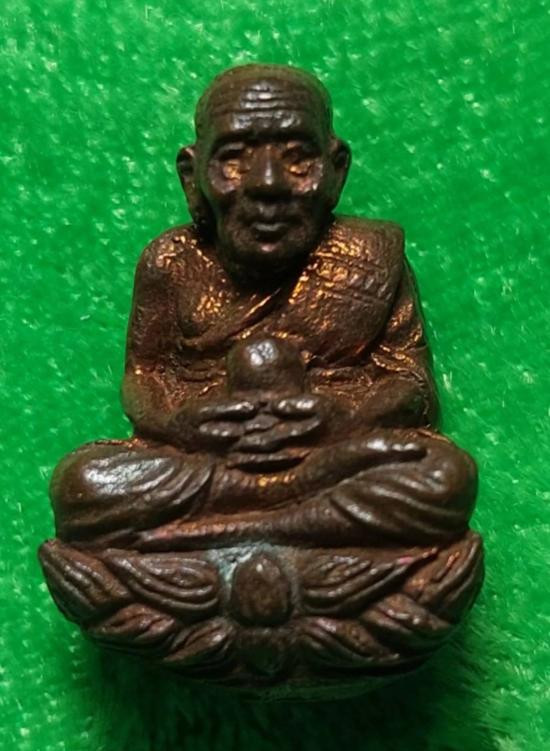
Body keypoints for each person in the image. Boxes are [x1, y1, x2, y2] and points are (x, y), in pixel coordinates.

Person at [41, 65, 482, 686]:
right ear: (192, 174)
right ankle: (297, 543)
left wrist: (343, 417)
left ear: (337, 169)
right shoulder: (171, 261)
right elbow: (144, 377)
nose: (268, 184)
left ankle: (214, 547)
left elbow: (410, 383)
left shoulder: (370, 258)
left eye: (297, 158)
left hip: (332, 462)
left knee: (443, 476)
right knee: (84, 483)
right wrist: (183, 424)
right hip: (209, 464)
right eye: (234, 159)